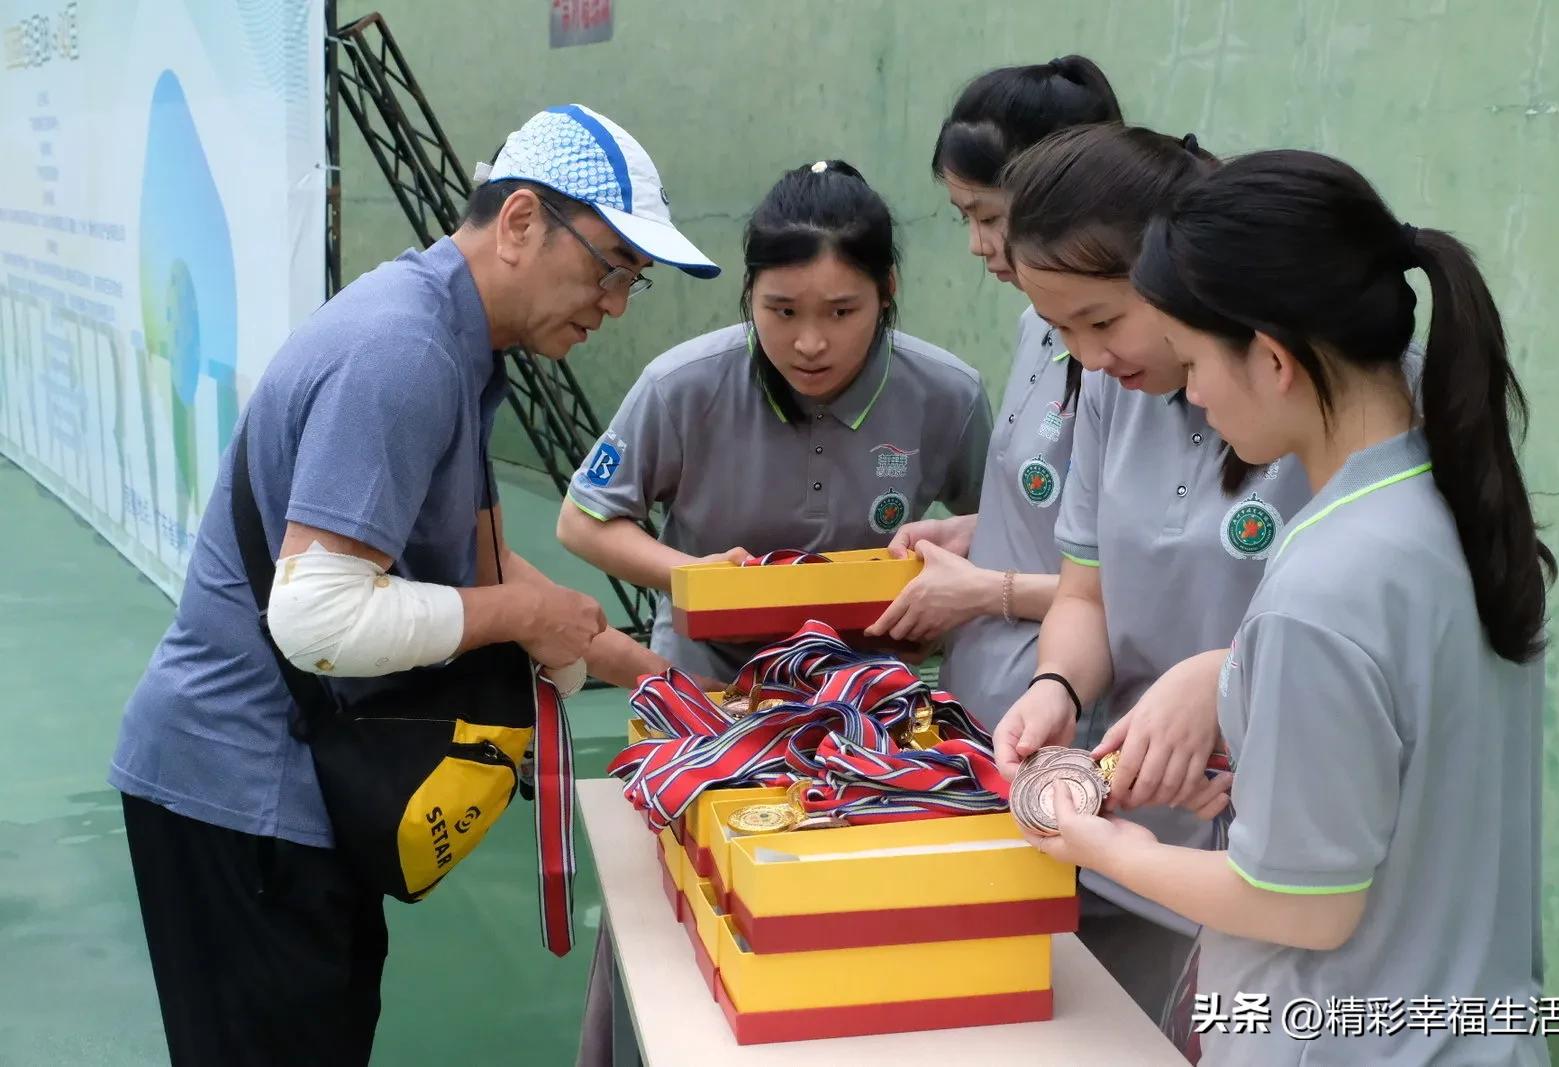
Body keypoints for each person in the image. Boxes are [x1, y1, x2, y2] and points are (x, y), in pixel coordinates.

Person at [108, 104, 719, 1065]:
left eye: (630, 282)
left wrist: (672, 692)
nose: (614, 303)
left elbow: (484, 573)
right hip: (241, 794)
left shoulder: (460, 346)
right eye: (610, 267)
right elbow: (319, 615)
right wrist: (527, 611)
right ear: (520, 220)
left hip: (301, 791)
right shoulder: (404, 351)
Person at [1027, 148, 1553, 1066]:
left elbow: (1299, 903)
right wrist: (1243, 724)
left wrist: (1098, 842)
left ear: (1271, 359)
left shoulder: (1325, 583)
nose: (1190, 392)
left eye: (1194, 362)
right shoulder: (1449, 508)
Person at [989, 124, 1315, 1021]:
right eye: (1061, 331)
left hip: (1286, 864)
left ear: (1181, 271)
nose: (1091, 356)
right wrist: (1057, 685)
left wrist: (1223, 682)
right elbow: (1085, 588)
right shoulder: (1106, 388)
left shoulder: (1326, 415)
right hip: (1134, 840)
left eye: (1103, 320)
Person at [557, 159, 991, 682]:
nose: (810, 343)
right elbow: (582, 520)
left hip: (871, 692)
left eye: (841, 312)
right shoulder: (682, 386)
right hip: (702, 687)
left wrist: (944, 611)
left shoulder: (949, 394)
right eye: (782, 311)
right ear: (750, 293)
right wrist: (696, 577)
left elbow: (1007, 534)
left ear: (887, 291)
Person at [861, 55, 1122, 729]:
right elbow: (1069, 513)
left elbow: (1140, 574)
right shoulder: (1037, 325)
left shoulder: (1127, 359)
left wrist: (983, 589)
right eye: (963, 218)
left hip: (1068, 706)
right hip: (989, 690)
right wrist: (981, 532)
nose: (979, 245)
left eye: (989, 216)